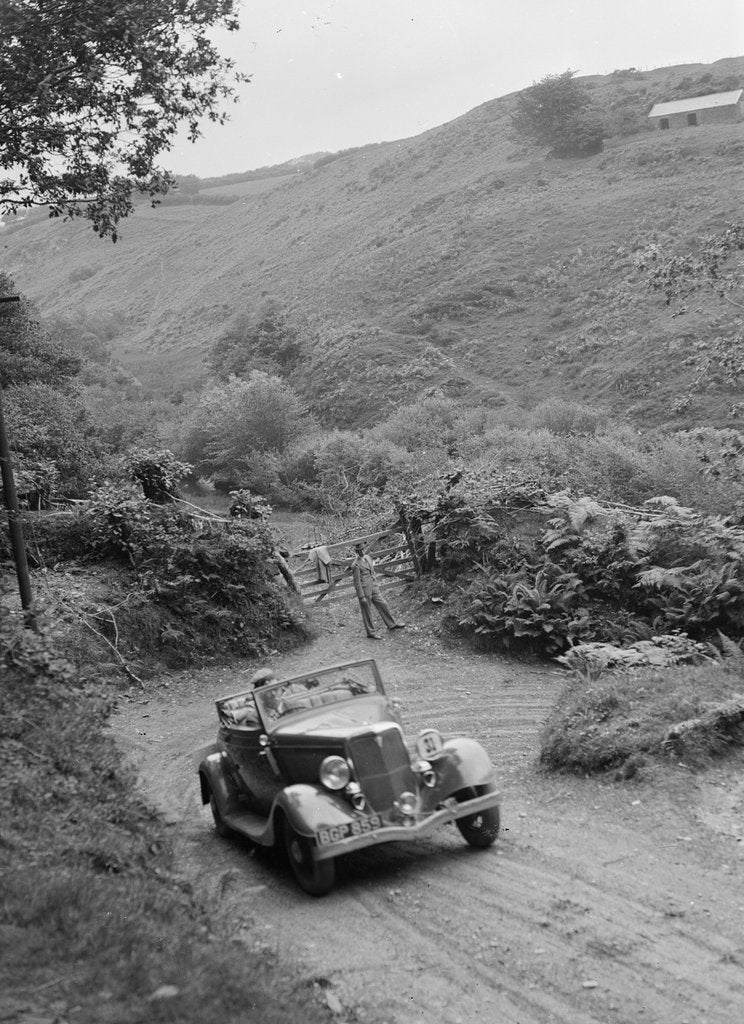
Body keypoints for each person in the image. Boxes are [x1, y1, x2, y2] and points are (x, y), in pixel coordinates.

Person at [351, 542, 406, 640]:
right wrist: (361, 596)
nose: (362, 552)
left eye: (363, 549)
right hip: (364, 590)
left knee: (383, 603)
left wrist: (375, 582)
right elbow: (357, 582)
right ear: (357, 551)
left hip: (373, 587)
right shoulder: (355, 565)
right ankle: (371, 633)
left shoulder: (368, 557)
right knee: (367, 611)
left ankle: (392, 624)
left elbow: (372, 572)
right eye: (360, 550)